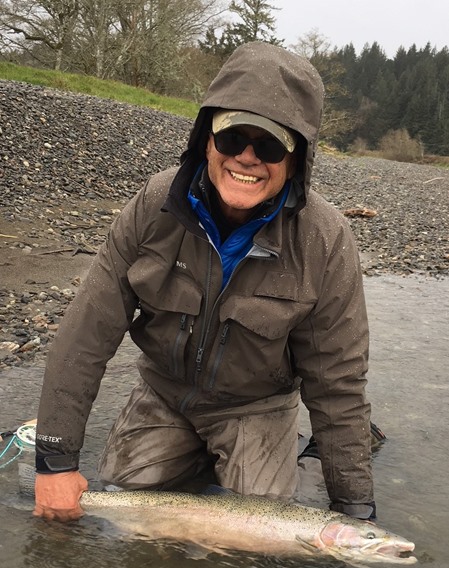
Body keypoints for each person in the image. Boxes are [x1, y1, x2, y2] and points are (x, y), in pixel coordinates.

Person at [33, 41, 376, 523]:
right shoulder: (155, 204)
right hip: (165, 392)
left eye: (272, 145)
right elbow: (87, 333)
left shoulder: (326, 240)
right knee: (119, 505)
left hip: (257, 406)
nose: (249, 157)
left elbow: (337, 380)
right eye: (234, 137)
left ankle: (306, 456)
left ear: (297, 159)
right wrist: (55, 460)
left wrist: (353, 506)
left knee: (262, 534)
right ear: (206, 140)